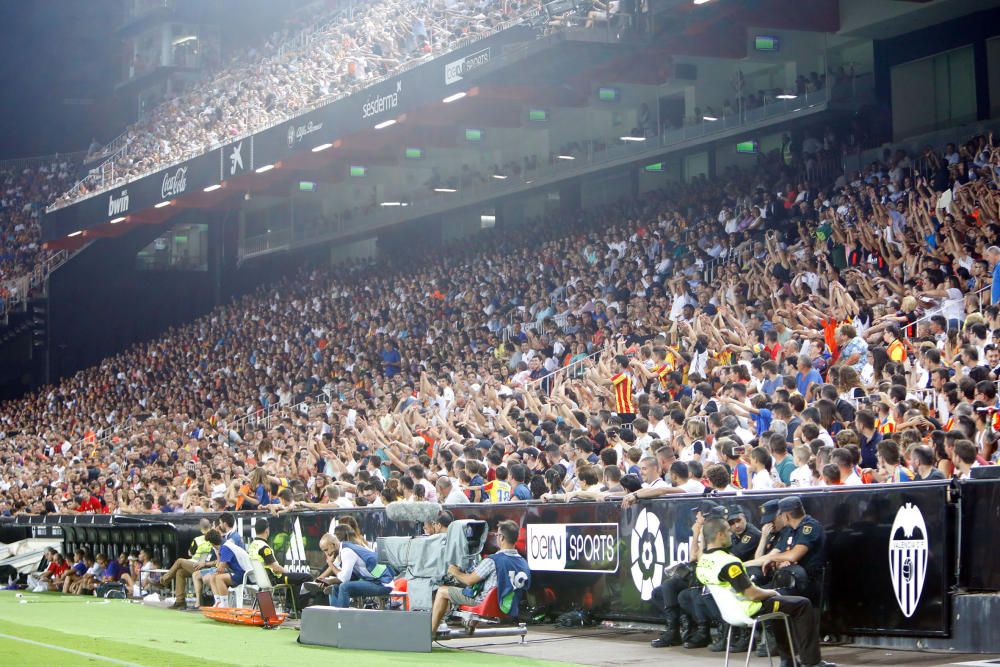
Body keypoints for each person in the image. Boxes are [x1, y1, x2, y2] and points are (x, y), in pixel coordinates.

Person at [696, 516, 835, 667]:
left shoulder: (703, 561)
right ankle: (812, 662)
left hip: (730, 613)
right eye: (728, 531)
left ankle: (788, 661)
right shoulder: (729, 563)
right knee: (802, 604)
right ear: (720, 535)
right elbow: (752, 594)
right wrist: (772, 592)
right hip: (750, 609)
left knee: (782, 607)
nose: (731, 534)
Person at [430, 520, 530, 635]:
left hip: (485, 603)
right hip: (508, 606)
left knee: (442, 591)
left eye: (496, 535)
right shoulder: (523, 562)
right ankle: (471, 624)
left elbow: (468, 580)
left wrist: (455, 571)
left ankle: (430, 634)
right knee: (484, 586)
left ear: (501, 538)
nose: (496, 537)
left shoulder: (493, 560)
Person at [246, 518, 312, 613]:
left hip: (261, 579)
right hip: (273, 578)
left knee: (293, 579)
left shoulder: (252, 545)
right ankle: (298, 610)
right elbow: (275, 567)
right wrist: (287, 571)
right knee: (307, 577)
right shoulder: (264, 547)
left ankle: (289, 608)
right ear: (267, 530)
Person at [326, 526, 397, 608]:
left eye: (326, 550)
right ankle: (334, 617)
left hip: (383, 583)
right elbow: (349, 576)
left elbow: (344, 578)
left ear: (333, 545)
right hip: (373, 580)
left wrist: (330, 564)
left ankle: (342, 618)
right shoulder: (345, 549)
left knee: (344, 587)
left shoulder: (347, 551)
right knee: (335, 587)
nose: (327, 554)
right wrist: (330, 580)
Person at [160, 518, 217, 609]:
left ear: (200, 528)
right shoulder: (214, 537)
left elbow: (190, 553)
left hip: (202, 565)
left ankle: (164, 580)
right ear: (210, 526)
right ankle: (180, 601)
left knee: (179, 561)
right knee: (180, 572)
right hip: (200, 565)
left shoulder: (198, 539)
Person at [208, 528, 251, 607]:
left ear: (212, 543)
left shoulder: (225, 547)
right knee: (212, 577)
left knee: (219, 578)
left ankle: (224, 605)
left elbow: (220, 568)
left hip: (245, 574)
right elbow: (223, 566)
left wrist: (212, 570)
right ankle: (218, 602)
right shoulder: (224, 545)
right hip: (240, 572)